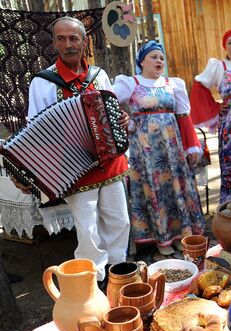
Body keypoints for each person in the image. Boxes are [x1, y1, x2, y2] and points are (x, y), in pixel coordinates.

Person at [23, 16, 130, 285]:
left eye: (73, 38)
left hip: (110, 161)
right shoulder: (43, 81)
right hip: (75, 167)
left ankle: (119, 275)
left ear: (84, 41)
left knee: (119, 221)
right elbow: (36, 128)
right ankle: (94, 284)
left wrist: (121, 120)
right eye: (61, 38)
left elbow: (112, 111)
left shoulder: (99, 75)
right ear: (55, 43)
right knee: (88, 229)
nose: (68, 44)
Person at [113, 41, 205, 257]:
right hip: (145, 151)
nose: (159, 61)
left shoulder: (173, 84)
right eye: (153, 57)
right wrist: (126, 121)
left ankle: (182, 234)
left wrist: (192, 145)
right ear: (142, 61)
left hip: (172, 150)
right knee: (154, 189)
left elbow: (184, 117)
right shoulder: (130, 83)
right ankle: (162, 239)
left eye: (161, 58)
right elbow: (106, 100)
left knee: (176, 188)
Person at [189, 29, 231, 202]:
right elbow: (199, 86)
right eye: (230, 43)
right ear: (225, 48)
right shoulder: (219, 66)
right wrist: (214, 109)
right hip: (230, 126)